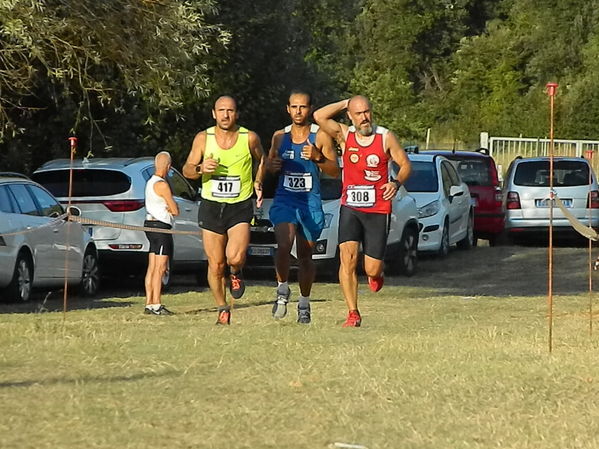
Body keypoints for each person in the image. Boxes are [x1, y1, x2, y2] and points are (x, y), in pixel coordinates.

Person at [313, 95, 412, 327]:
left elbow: (406, 164)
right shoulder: (344, 136)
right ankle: (353, 312)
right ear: (350, 115)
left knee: (372, 267)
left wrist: (396, 183)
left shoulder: (385, 137)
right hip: (350, 207)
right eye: (358, 114)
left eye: (367, 112)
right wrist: (345, 101)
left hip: (377, 209)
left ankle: (376, 274)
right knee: (347, 259)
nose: (364, 118)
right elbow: (319, 116)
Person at [183, 95, 265, 325]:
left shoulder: (249, 137)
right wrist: (201, 168)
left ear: (236, 114)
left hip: (239, 205)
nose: (226, 115)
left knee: (235, 257)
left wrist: (258, 181)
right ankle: (222, 308)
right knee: (216, 264)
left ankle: (236, 273)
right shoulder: (203, 138)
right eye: (221, 110)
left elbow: (262, 159)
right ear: (214, 113)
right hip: (211, 205)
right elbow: (187, 169)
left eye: (230, 111)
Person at [266, 90, 339, 324]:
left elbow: (335, 171)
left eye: (303, 107)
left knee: (306, 256)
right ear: (287, 109)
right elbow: (268, 166)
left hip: (309, 201)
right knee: (284, 243)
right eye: (294, 107)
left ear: (310, 109)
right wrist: (272, 166)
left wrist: (318, 158)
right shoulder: (279, 137)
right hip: (285, 199)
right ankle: (282, 289)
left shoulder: (321, 137)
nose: (298, 111)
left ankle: (305, 303)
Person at [144, 151, 179, 316]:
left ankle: (149, 302)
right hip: (161, 228)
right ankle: (156, 303)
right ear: (168, 167)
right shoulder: (162, 184)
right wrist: (170, 208)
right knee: (160, 267)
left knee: (152, 266)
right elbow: (175, 210)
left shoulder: (150, 182)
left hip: (149, 225)